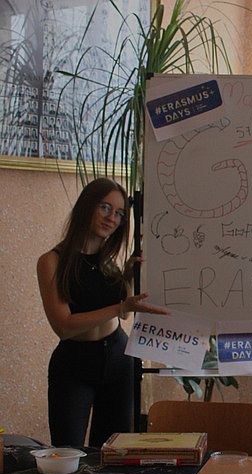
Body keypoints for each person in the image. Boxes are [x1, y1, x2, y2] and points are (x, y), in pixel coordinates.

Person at [37, 178, 168, 447]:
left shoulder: (109, 263)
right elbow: (63, 326)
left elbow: (125, 316)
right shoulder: (51, 261)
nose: (112, 218)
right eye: (105, 208)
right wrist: (120, 306)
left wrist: (128, 276)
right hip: (75, 364)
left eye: (119, 213)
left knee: (114, 452)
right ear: (87, 206)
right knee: (68, 451)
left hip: (119, 359)